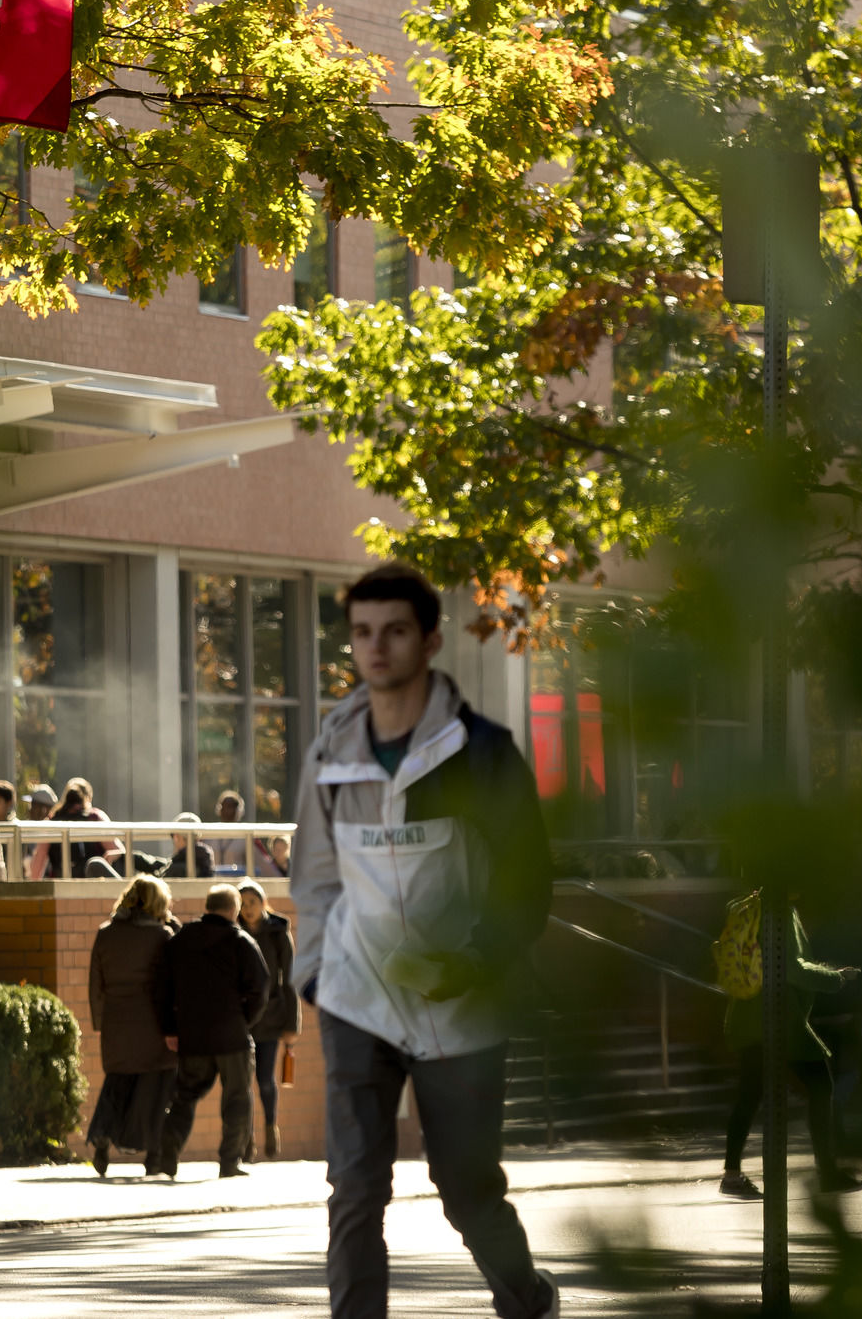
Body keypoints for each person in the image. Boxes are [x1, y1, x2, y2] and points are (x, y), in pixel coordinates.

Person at [293, 562, 558, 1319]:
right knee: (355, 1186)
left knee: (467, 1188)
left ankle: (528, 1297)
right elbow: (314, 876)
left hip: (463, 1003)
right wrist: (315, 973)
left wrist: (475, 960)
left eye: (395, 631)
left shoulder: (484, 754)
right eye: (363, 632)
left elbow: (525, 881)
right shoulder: (329, 756)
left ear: (431, 639)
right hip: (355, 998)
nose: (376, 648)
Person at [719, 894, 862, 1197]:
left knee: (749, 1093)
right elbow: (793, 968)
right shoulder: (781, 910)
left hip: (746, 1015)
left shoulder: (745, 906)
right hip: (780, 1018)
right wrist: (835, 979)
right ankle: (827, 1172)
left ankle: (731, 1174)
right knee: (821, 1084)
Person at [162, 882, 269, 1177]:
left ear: (207, 907)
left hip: (193, 1035)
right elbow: (261, 988)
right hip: (232, 1035)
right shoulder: (240, 941)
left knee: (184, 1095)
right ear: (234, 910)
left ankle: (166, 1157)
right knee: (237, 1096)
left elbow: (163, 988)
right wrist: (243, 1020)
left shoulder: (181, 941)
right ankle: (229, 1161)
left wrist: (172, 1027)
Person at [87, 873, 180, 1176]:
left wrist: (100, 1020)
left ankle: (102, 1133)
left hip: (116, 1018)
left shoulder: (106, 933)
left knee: (118, 1081)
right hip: (153, 1021)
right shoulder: (162, 936)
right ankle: (153, 1155)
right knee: (157, 1087)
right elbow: (170, 983)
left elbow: (95, 983)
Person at [241, 879, 299, 1160]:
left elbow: (289, 981)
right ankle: (246, 1137)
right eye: (242, 903)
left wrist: (291, 1025)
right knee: (243, 1082)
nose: (247, 908)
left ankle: (269, 1126)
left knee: (265, 1079)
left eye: (252, 902)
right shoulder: (235, 932)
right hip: (241, 1019)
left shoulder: (278, 933)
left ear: (263, 903)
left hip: (271, 1016)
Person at [207, 789, 250, 874]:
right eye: (225, 806)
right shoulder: (209, 833)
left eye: (231, 806)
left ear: (238, 810)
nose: (228, 810)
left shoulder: (246, 835)